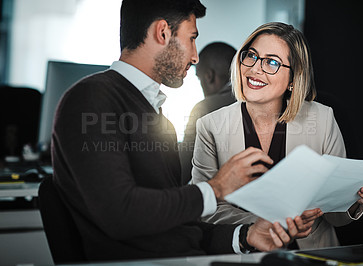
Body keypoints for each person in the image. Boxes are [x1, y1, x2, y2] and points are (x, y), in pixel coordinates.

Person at [50, 2, 311, 262]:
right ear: (162, 33)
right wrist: (216, 188)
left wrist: (245, 236)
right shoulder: (91, 98)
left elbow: (174, 226)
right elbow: (121, 214)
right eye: (192, 38)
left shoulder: (157, 118)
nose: (195, 56)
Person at [191, 22, 363, 249]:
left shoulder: (323, 118)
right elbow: (206, 208)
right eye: (251, 56)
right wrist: (262, 226)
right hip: (245, 253)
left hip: (311, 254)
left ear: (294, 80)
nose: (255, 69)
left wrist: (354, 201)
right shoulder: (210, 125)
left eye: (272, 62)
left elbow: (335, 215)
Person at [180, 42, 236, 184]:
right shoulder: (263, 101)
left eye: (199, 79)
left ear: (209, 76)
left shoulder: (206, 108)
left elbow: (181, 171)